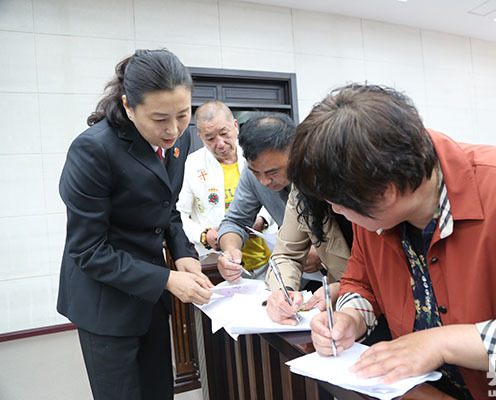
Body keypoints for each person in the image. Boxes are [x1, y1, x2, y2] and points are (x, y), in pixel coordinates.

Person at [289, 84, 496, 399]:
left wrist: (440, 343)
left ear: (385, 193)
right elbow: (361, 282)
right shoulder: (375, 205)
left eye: (337, 203)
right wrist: (350, 319)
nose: (335, 210)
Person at [57, 49, 213, 400]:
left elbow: (166, 206)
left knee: (159, 391)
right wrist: (168, 279)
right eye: (159, 119)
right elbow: (88, 250)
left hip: (150, 298)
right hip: (105, 305)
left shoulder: (179, 138)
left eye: (183, 114)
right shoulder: (93, 150)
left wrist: (182, 252)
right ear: (129, 106)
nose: (173, 129)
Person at [217, 113, 321, 283]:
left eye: (273, 172)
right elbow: (235, 221)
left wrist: (323, 252)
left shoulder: (319, 169)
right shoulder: (252, 173)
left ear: (294, 152)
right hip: (295, 275)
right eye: (256, 172)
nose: (264, 181)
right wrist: (229, 251)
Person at [176, 101, 275, 278]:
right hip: (219, 266)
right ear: (200, 136)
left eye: (224, 133)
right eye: (210, 139)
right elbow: (178, 214)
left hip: (268, 262)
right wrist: (204, 235)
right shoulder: (192, 165)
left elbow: (277, 195)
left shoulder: (256, 155)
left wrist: (262, 220)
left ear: (235, 126)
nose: (220, 144)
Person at [265, 187, 352, 325]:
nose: (264, 182)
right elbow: (286, 254)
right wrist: (284, 290)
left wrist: (345, 288)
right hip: (344, 310)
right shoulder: (301, 191)